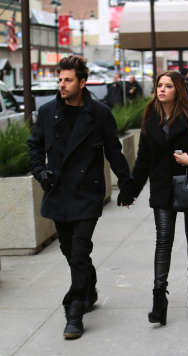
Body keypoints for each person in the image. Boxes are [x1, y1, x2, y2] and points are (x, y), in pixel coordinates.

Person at [27, 56, 134, 339]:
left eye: (68, 80)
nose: (61, 85)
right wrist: (41, 172)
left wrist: (127, 185)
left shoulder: (99, 113)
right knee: (70, 252)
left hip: (88, 193)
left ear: (82, 82)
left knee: (78, 251)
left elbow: (114, 151)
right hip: (58, 191)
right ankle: (89, 287)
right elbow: (35, 146)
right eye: (59, 80)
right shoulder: (48, 111)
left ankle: (74, 311)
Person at [131, 71, 188, 326]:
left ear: (178, 90)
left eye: (168, 86)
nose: (162, 89)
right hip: (162, 188)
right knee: (163, 240)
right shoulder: (151, 119)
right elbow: (143, 161)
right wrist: (131, 190)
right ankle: (159, 298)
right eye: (159, 85)